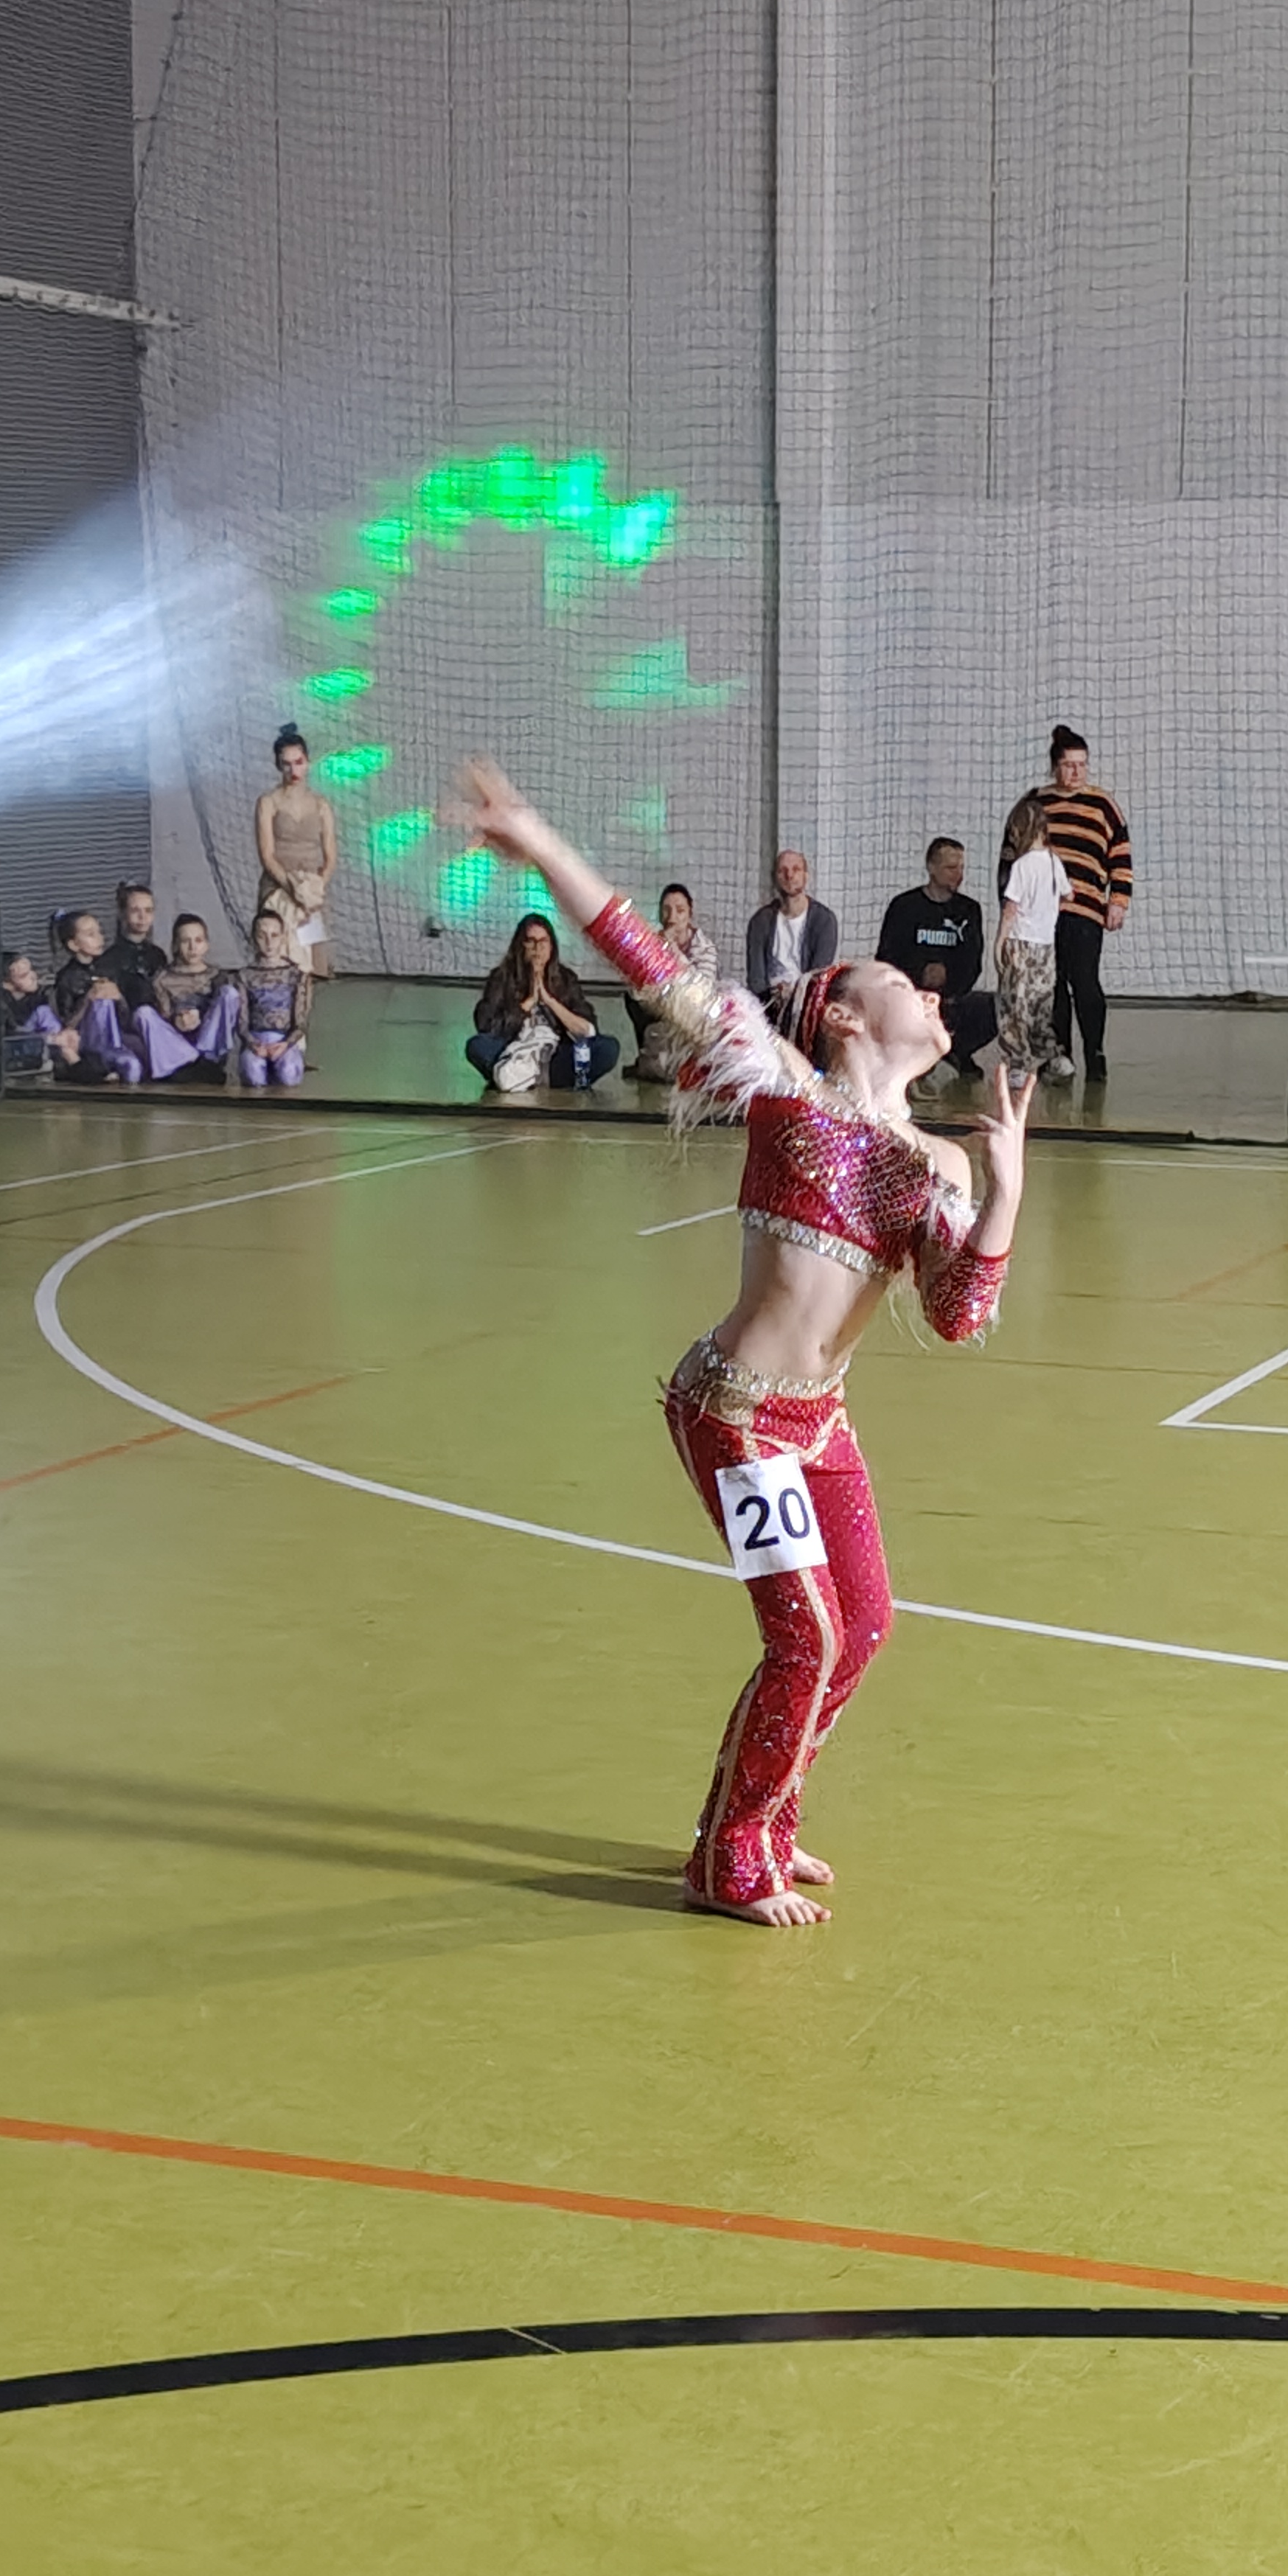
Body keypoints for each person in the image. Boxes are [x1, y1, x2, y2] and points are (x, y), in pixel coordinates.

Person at [461, 755, 1031, 1928]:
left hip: (818, 1424)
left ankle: (769, 1815)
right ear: (846, 1015)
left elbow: (957, 1314)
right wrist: (541, 841)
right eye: (897, 980)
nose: (928, 991)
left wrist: (1007, 1196)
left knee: (862, 1627)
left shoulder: (940, 1162)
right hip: (732, 1412)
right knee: (806, 1637)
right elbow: (649, 961)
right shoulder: (785, 1090)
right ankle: (728, 1858)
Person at [1000, 723, 1130, 1082]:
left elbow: (1120, 854)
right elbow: (1010, 857)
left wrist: (1118, 900)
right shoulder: (1035, 803)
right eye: (1069, 765)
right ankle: (1060, 1056)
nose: (1077, 772)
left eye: (1082, 765)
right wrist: (1010, 910)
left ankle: (1095, 1053)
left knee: (1085, 982)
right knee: (1051, 986)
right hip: (1041, 916)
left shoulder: (1103, 805)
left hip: (1086, 910)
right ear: (1054, 766)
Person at [877, 840, 997, 1076]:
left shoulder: (969, 910)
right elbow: (887, 958)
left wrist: (949, 980)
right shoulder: (904, 906)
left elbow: (973, 962)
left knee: (995, 1008)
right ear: (931, 868)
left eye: (961, 868)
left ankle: (956, 1052)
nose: (959, 875)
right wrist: (919, 974)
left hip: (951, 997)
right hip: (911, 995)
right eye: (951, 868)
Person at [465, 913, 623, 1090]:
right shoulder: (502, 977)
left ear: (551, 947)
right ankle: (516, 1074)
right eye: (531, 942)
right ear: (520, 945)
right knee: (477, 1046)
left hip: (556, 1057)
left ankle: (527, 1078)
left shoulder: (566, 979)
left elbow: (588, 1029)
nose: (537, 949)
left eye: (543, 942)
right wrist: (529, 1002)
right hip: (513, 1050)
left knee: (608, 1048)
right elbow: (487, 1026)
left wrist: (549, 1000)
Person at [996, 796, 1072, 1079]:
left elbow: (1011, 908)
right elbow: (1069, 894)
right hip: (1046, 946)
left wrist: (1000, 942)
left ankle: (1018, 1065)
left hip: (1021, 944)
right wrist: (1049, 908)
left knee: (1014, 1007)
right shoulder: (1054, 862)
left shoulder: (1022, 866)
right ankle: (1055, 1058)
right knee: (1041, 1005)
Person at [255, 725, 340, 976]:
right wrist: (293, 889)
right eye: (287, 764)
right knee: (277, 956)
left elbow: (331, 856)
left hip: (311, 892)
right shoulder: (268, 802)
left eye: (299, 762)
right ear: (278, 766)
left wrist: (314, 889)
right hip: (278, 888)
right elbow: (267, 855)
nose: (294, 771)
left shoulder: (321, 804)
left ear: (308, 762)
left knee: (310, 961)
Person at [628, 885, 719, 1082]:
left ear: (690, 914)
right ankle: (651, 1058)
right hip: (660, 1008)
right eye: (666, 910)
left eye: (680, 911)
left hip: (692, 1010)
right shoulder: (652, 944)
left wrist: (673, 952)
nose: (672, 918)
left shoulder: (705, 948)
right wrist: (654, 953)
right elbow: (637, 992)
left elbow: (703, 988)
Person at [136, 914, 240, 1082]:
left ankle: (206, 1057)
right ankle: (184, 1059)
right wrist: (176, 1020)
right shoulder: (162, 978)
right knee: (143, 1013)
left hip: (208, 1047)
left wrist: (201, 1016)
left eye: (198, 940)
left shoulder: (217, 976)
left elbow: (223, 1016)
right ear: (176, 945)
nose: (193, 948)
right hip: (178, 1048)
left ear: (206, 945)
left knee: (230, 993)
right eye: (186, 941)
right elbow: (162, 1018)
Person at [46, 910, 141, 1082]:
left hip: (115, 1038)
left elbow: (125, 1017)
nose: (99, 938)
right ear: (74, 944)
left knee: (134, 1067)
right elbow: (67, 1024)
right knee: (102, 1002)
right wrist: (88, 999)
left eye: (99, 932)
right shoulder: (67, 977)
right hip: (86, 1042)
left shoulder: (108, 969)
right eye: (91, 934)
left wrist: (119, 997)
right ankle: (102, 1055)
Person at [744, 848, 838, 1000]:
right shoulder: (760, 921)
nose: (790, 876)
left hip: (806, 1001)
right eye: (782, 871)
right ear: (774, 877)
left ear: (806, 876)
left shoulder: (824, 920)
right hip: (769, 1002)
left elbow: (819, 975)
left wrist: (795, 996)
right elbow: (756, 979)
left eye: (796, 869)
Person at [236, 908, 312, 1087]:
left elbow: (301, 1023)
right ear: (253, 938)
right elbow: (242, 1021)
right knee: (253, 1074)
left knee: (289, 1073)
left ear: (283, 937)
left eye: (274, 935)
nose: (269, 942)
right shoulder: (244, 976)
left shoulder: (296, 975)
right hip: (257, 1043)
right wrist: (253, 1044)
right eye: (262, 936)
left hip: (285, 1042)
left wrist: (286, 1044)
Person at [1, 952, 79, 1077]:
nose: (34, 976)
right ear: (6, 984)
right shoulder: (1, 1004)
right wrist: (50, 1039)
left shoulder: (43, 996)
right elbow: (11, 1033)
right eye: (24, 975)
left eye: (32, 970)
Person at [99, 883, 169, 1020]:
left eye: (148, 910)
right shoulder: (109, 959)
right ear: (122, 913)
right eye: (135, 910)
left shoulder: (158, 955)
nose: (143, 917)